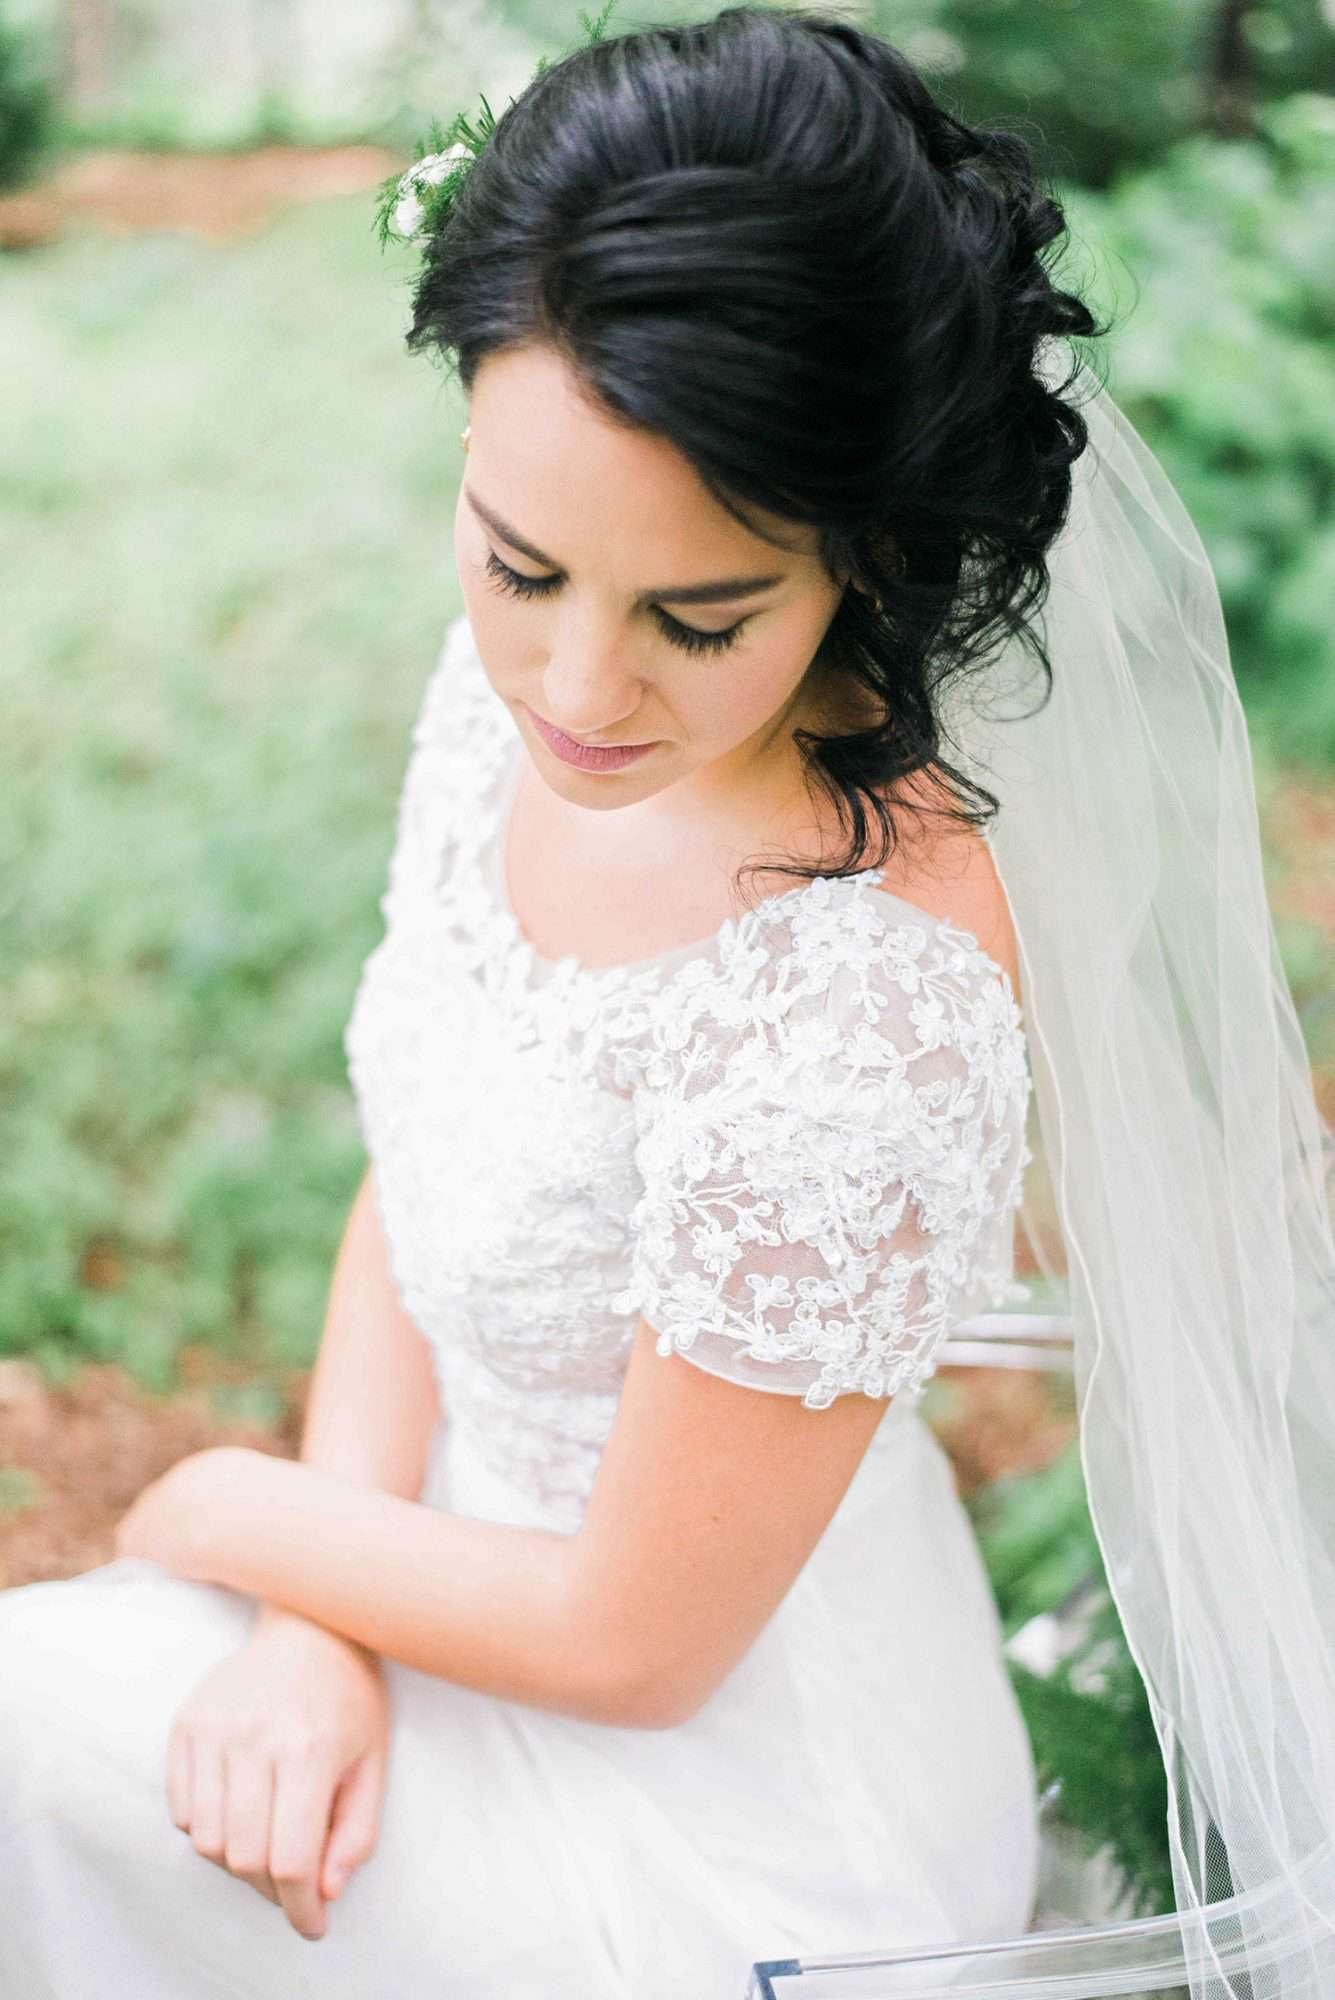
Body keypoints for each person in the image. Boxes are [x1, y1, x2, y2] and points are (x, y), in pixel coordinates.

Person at [1, 7, 1236, 1995]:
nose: (575, 689)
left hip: (721, 1819)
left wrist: (228, 1507)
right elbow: (423, 1172)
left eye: (699, 615)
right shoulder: (533, 717)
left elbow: (633, 1643)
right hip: (421, 1567)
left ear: (865, 555)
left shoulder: (864, 983)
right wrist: (319, 1628)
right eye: (516, 566)